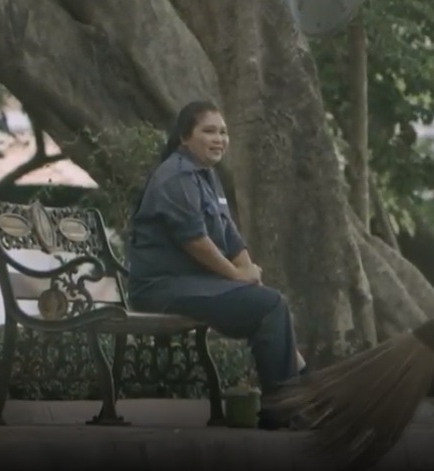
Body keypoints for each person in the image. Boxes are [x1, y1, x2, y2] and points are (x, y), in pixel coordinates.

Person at [126, 100, 306, 430]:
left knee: (267, 303)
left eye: (223, 132)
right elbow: (195, 242)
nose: (219, 138)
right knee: (270, 306)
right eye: (209, 131)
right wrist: (238, 277)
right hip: (162, 288)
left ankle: (294, 396)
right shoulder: (175, 177)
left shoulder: (206, 176)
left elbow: (231, 238)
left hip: (196, 284)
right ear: (184, 137)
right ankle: (286, 409)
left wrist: (251, 279)